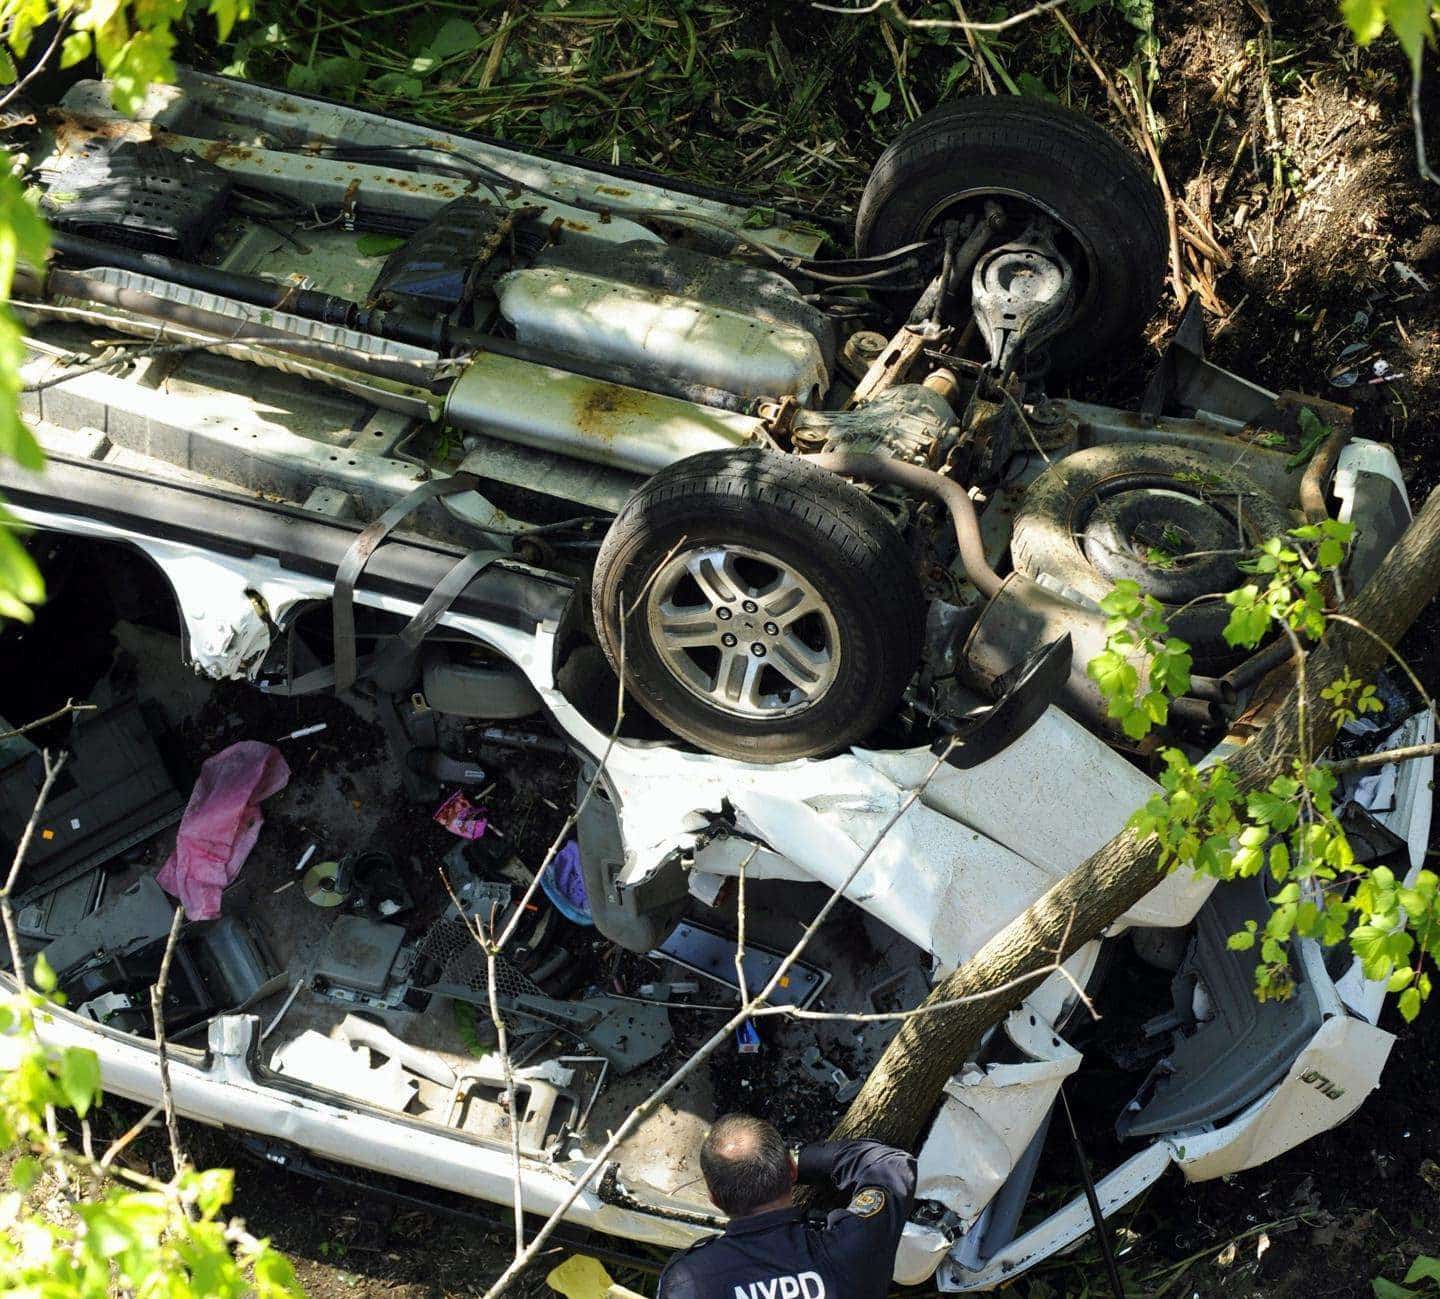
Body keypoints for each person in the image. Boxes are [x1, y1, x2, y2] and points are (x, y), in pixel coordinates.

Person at [657, 1113, 916, 1299]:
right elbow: (890, 1165)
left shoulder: (687, 1281)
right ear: (791, 1170)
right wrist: (796, 1162)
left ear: (713, 1197)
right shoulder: (852, 1245)